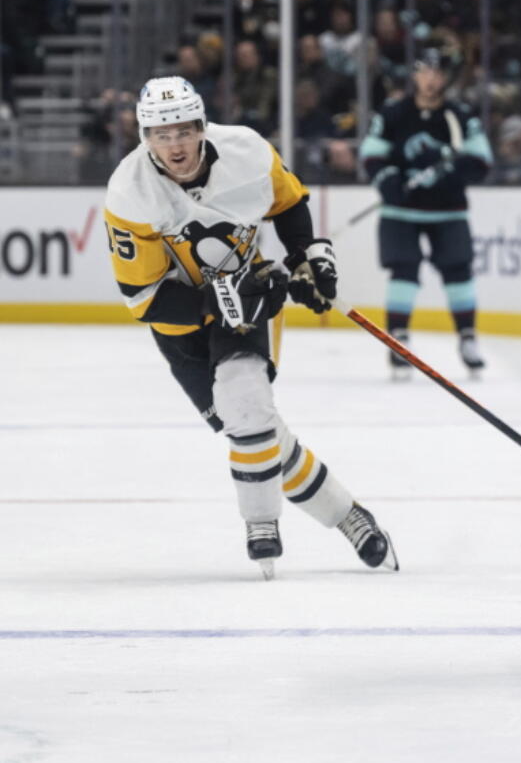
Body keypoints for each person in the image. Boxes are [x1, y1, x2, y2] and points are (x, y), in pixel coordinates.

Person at [103, 76, 398, 579]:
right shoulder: (130, 192)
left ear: (201, 127)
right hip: (180, 326)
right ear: (144, 137)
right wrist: (220, 298)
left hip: (252, 299)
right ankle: (351, 517)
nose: (173, 144)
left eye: (182, 130)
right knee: (252, 434)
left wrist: (309, 259)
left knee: (246, 404)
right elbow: (145, 299)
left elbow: (289, 204)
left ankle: (261, 523)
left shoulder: (246, 150)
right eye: (160, 133)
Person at [359, 47, 494, 378]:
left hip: (447, 211)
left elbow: (481, 162)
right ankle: (399, 338)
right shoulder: (393, 114)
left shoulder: (460, 117)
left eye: (437, 73)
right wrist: (388, 179)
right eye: (425, 71)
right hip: (400, 211)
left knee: (458, 270)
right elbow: (371, 155)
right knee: (403, 269)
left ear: (445, 78)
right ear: (415, 75)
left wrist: (450, 170)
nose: (431, 79)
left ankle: (467, 338)